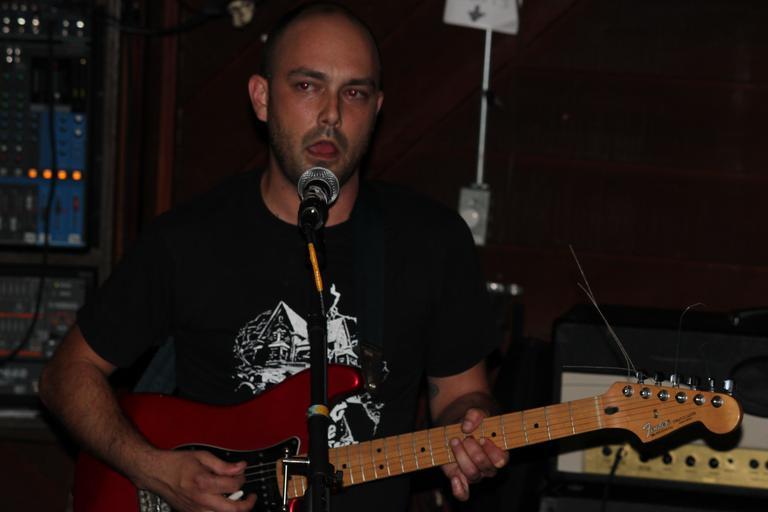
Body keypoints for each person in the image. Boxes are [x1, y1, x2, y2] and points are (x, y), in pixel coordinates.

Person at [39, 3, 509, 511]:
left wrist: (470, 427)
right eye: (307, 86)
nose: (331, 115)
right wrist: (151, 468)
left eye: (354, 93)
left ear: (376, 109)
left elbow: (460, 395)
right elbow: (66, 375)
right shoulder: (190, 239)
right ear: (262, 98)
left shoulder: (431, 241)